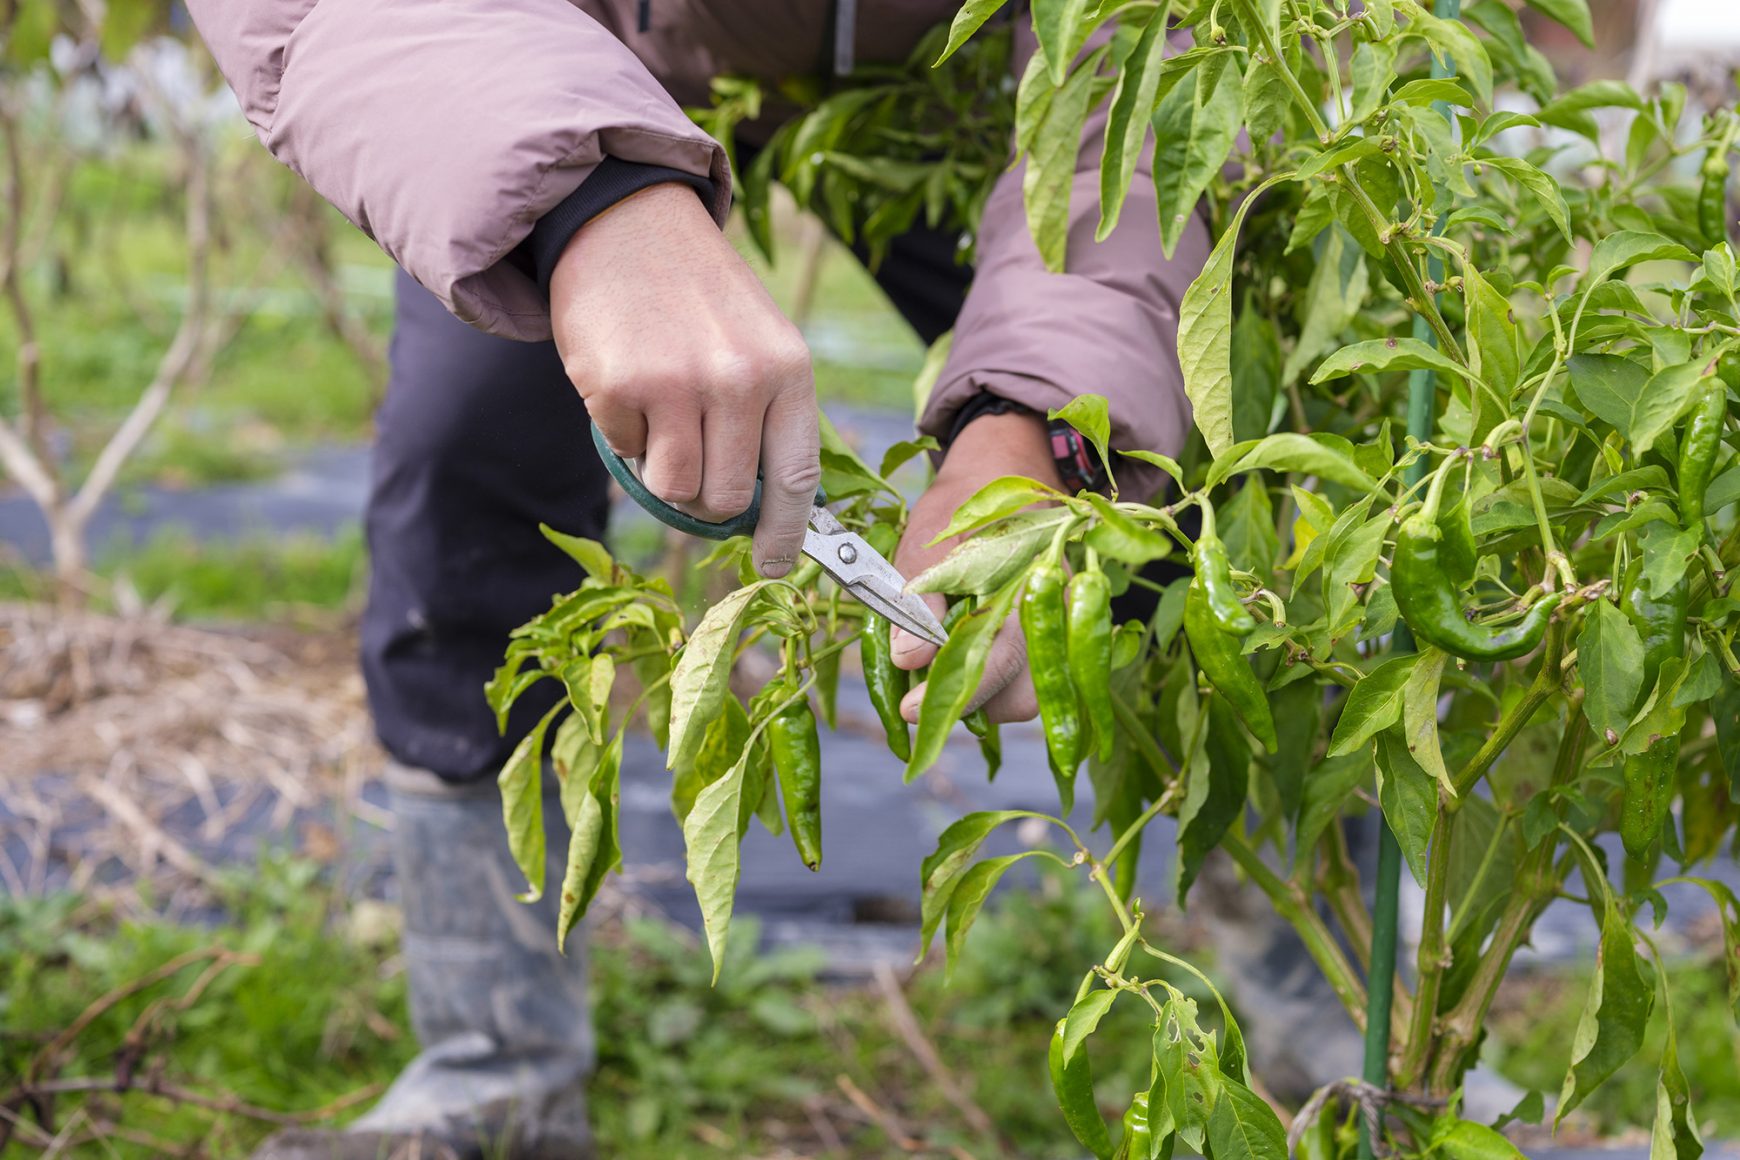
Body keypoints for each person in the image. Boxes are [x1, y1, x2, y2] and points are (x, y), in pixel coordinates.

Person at [185, 3, 1357, 1156]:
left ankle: (1332, 1028)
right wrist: (585, 193)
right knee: (464, 461)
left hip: (976, 80)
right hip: (571, 49)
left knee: (1187, 478)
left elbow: (1153, 73)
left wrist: (1039, 419)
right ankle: (495, 1069)